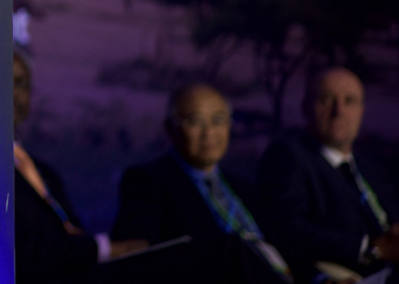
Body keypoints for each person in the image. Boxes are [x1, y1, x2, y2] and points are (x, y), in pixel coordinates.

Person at [111, 83, 290, 283]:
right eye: (196, 121)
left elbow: (281, 245)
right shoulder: (148, 179)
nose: (209, 132)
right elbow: (140, 249)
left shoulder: (245, 188)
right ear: (170, 128)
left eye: (218, 120)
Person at [12, 52, 147, 284]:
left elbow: (72, 232)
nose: (13, 92)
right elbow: (16, 252)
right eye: (1, 79)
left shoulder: (45, 172)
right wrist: (103, 249)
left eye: (21, 83)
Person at [258, 67, 399, 282]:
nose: (338, 111)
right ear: (306, 108)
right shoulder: (288, 157)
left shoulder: (371, 168)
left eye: (349, 101)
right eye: (326, 100)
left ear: (361, 110)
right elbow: (288, 230)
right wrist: (371, 249)